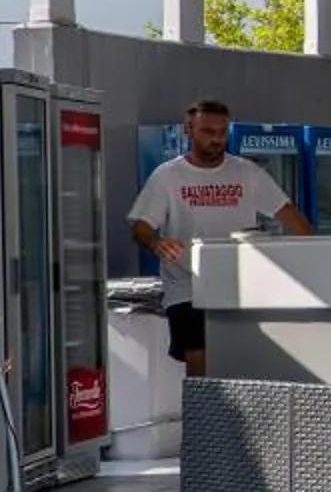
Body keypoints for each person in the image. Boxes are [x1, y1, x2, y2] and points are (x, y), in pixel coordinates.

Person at [129, 98, 312, 377]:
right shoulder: (167, 176)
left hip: (242, 285)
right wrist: (156, 243)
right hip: (187, 287)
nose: (217, 139)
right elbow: (141, 226)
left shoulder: (246, 173)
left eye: (222, 132)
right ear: (189, 130)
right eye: (208, 132)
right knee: (198, 355)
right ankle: (203, 417)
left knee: (245, 361)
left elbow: (292, 217)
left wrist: (311, 260)